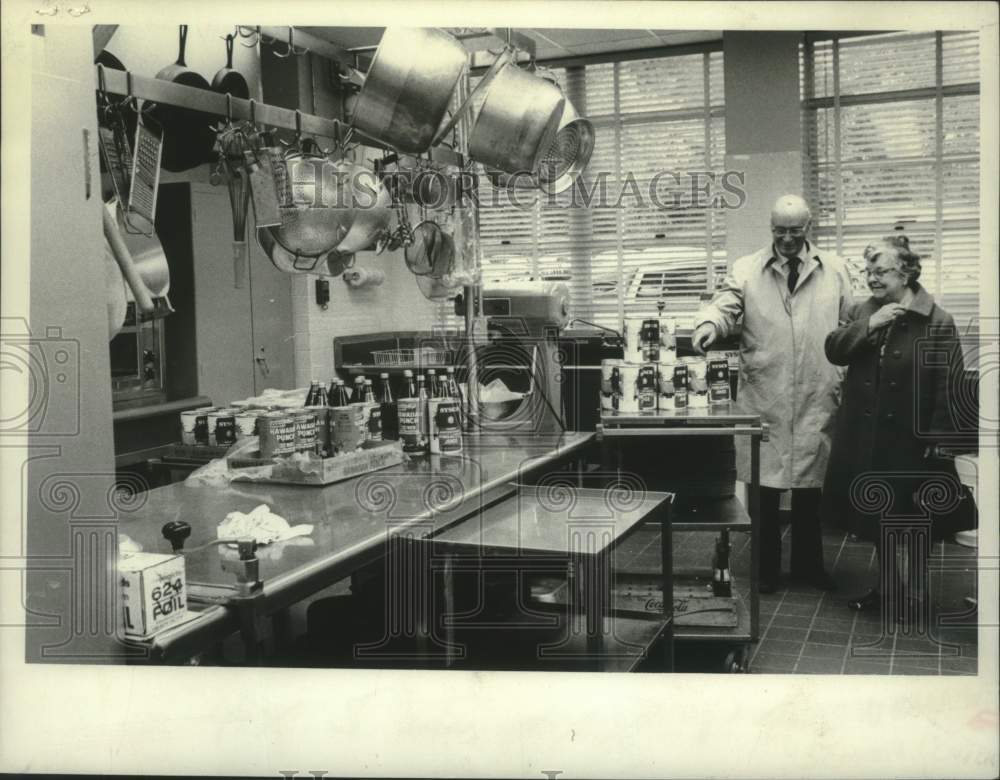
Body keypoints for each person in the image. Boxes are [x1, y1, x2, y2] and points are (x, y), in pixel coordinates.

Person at [693, 195, 854, 593]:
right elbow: (725, 305)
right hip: (767, 392)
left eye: (794, 231)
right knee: (764, 490)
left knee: (810, 491)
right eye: (779, 231)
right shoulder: (747, 269)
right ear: (771, 228)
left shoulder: (835, 269)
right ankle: (765, 571)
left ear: (808, 227)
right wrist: (708, 325)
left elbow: (849, 323)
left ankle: (808, 568)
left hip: (817, 389)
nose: (786, 239)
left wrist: (847, 369)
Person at [822, 236, 970, 617]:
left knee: (917, 520)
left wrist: (940, 441)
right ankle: (887, 589)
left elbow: (950, 385)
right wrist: (871, 324)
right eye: (868, 272)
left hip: (914, 442)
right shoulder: (863, 311)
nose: (872, 278)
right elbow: (834, 349)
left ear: (906, 274)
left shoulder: (937, 321)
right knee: (879, 516)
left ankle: (917, 596)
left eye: (881, 271)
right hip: (869, 440)